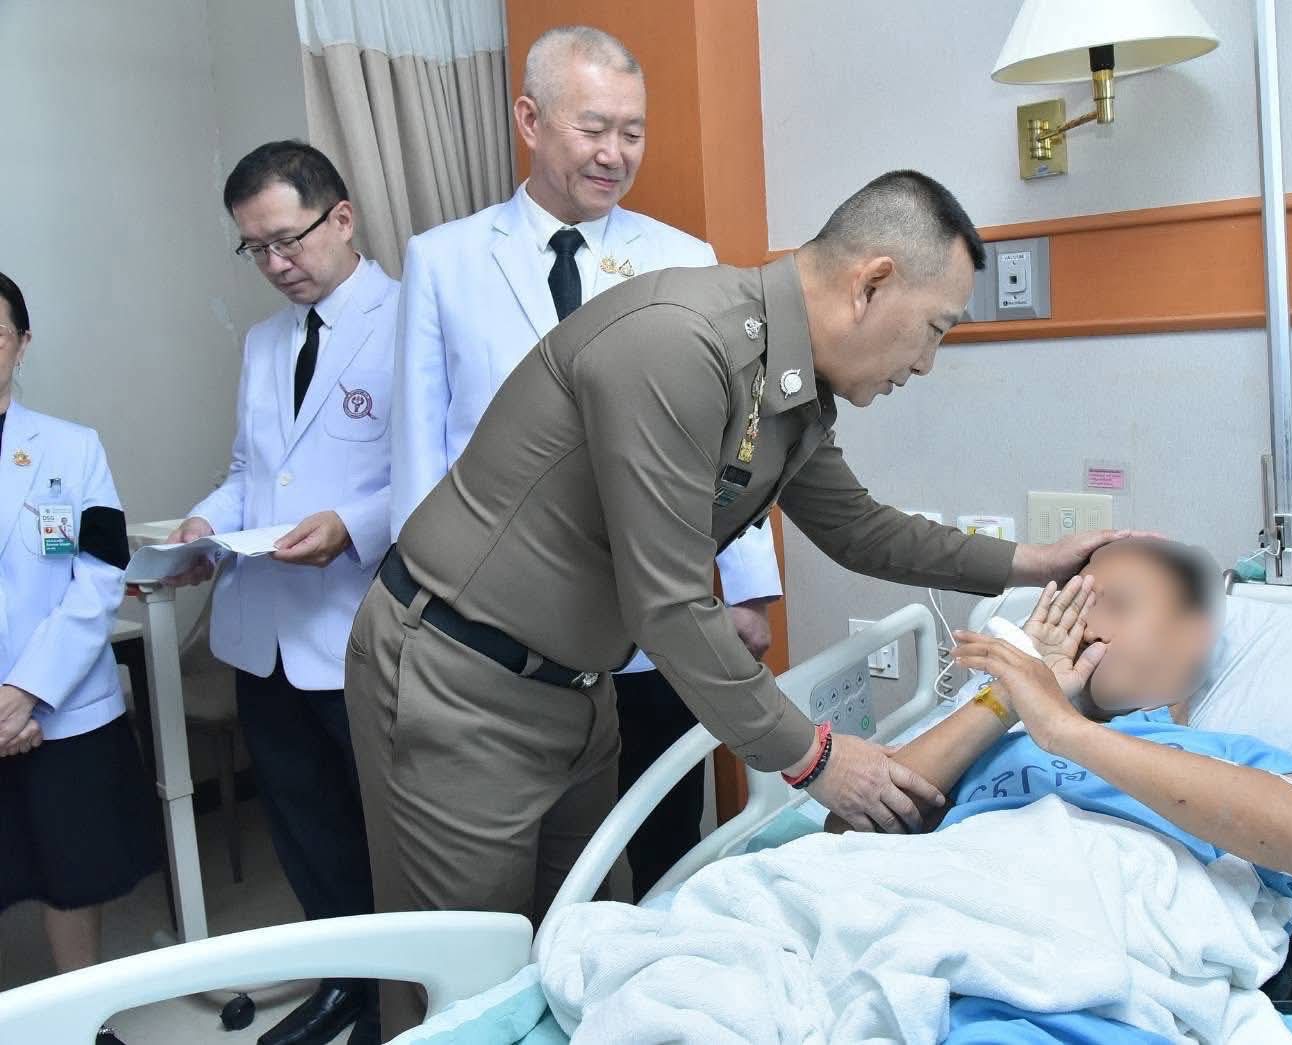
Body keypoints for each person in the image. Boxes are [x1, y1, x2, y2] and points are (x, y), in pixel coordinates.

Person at [347, 166, 1138, 1038]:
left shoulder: (790, 386)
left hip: (576, 689)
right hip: (458, 678)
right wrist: (813, 757)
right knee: (461, 994)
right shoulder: (677, 344)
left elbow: (858, 528)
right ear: (871, 283)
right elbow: (670, 604)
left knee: (572, 958)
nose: (924, 362)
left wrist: (1028, 561)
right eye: (934, 329)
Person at [390, 25, 782, 898]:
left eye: (632, 132)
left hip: (654, 610)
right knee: (525, 864)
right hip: (501, 629)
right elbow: (419, 453)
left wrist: (748, 585)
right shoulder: (444, 261)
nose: (616, 154)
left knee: (664, 833)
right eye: (594, 128)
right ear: (530, 120)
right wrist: (421, 607)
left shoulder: (683, 260)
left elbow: (736, 440)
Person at [837, 538, 1292, 1041]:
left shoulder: (1229, 758)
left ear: (1193, 633)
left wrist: (1067, 731)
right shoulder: (998, 741)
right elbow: (846, 833)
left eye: (1114, 603)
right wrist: (1010, 698)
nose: (1085, 623)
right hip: (942, 977)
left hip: (1100, 1002)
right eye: (1073, 604)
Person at [163, 141, 395, 1045]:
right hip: (260, 635)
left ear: (342, 217)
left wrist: (352, 526)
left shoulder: (409, 321)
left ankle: (398, 999)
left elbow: (443, 475)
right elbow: (248, 473)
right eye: (254, 248)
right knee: (304, 828)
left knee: (384, 830)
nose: (274, 263)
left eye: (286, 240)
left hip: (356, 631)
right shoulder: (265, 342)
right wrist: (204, 523)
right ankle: (344, 985)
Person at [0, 272, 160, 1045]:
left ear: (23, 343)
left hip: (60, 706)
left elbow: (99, 574)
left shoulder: (72, 448)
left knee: (72, 870)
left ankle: (79, 1023)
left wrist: (27, 691)